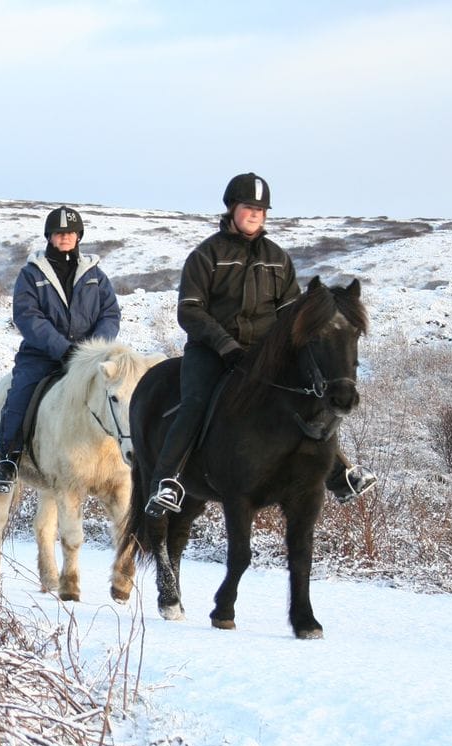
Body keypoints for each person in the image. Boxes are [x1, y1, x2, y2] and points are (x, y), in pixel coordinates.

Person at [144, 172, 377, 516]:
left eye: (260, 209)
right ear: (231, 209)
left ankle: (339, 472)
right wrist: (225, 345)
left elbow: (290, 312)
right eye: (248, 207)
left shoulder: (277, 257)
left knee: (310, 394)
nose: (254, 214)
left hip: (261, 353)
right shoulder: (206, 255)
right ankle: (167, 480)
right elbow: (190, 311)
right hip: (211, 350)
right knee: (195, 402)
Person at [0, 205, 121, 491]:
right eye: (60, 233)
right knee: (20, 392)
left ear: (78, 236)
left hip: (88, 356)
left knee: (121, 392)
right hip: (42, 354)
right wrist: (62, 349)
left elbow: (110, 314)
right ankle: (8, 457)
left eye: (70, 232)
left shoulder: (95, 274)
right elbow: (28, 316)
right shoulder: (31, 274)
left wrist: (94, 349)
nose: (65, 237)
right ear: (50, 236)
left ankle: (126, 454)